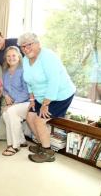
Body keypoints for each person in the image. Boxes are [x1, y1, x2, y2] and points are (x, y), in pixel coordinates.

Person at [19, 33, 76, 163]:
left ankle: (48, 152)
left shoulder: (48, 56)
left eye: (29, 45)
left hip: (59, 95)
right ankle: (41, 144)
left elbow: (54, 81)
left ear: (38, 44)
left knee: (39, 121)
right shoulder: (25, 60)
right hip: (40, 97)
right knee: (30, 117)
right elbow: (29, 81)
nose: (26, 49)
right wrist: (32, 99)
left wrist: (45, 104)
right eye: (23, 47)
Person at [1, 46, 30, 156]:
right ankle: (21, 140)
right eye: (8, 56)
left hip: (27, 102)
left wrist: (15, 103)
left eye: (13, 55)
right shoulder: (5, 72)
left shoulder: (23, 70)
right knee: (5, 114)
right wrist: (6, 95)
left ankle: (14, 146)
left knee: (10, 111)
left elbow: (27, 92)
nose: (11, 58)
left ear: (19, 57)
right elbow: (3, 88)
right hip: (14, 103)